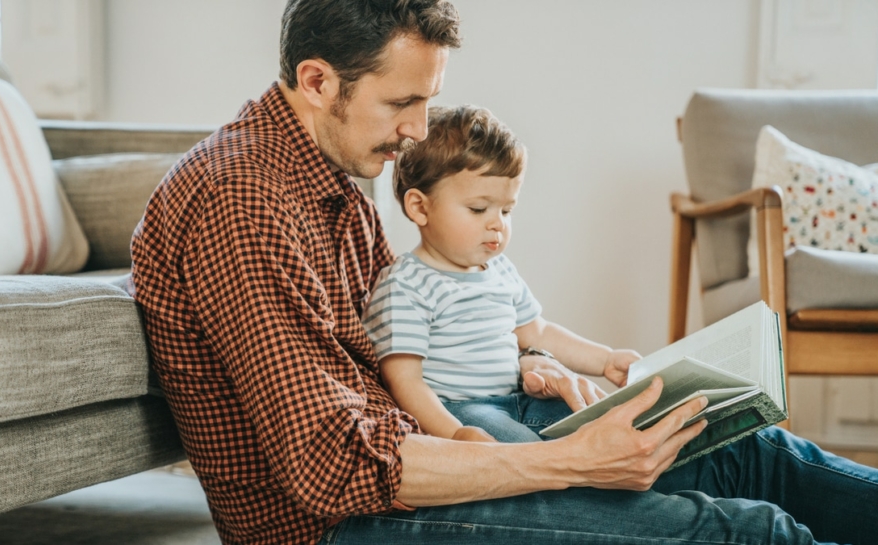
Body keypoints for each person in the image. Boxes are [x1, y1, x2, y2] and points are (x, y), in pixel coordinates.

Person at [130, 1, 878, 543]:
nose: (420, 130)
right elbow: (332, 465)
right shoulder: (243, 200)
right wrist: (569, 461)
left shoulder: (323, 182)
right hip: (340, 523)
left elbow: (413, 344)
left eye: (428, 99)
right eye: (404, 102)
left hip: (428, 452)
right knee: (742, 531)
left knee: (742, 448)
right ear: (318, 80)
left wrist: (540, 372)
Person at [362, 104, 641, 444]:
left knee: (603, 424)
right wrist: (455, 432)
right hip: (463, 411)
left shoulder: (500, 270)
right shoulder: (406, 286)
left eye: (507, 210)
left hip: (517, 400)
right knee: (528, 455)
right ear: (420, 207)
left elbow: (537, 332)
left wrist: (605, 359)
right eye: (479, 209)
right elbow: (404, 381)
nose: (498, 224)